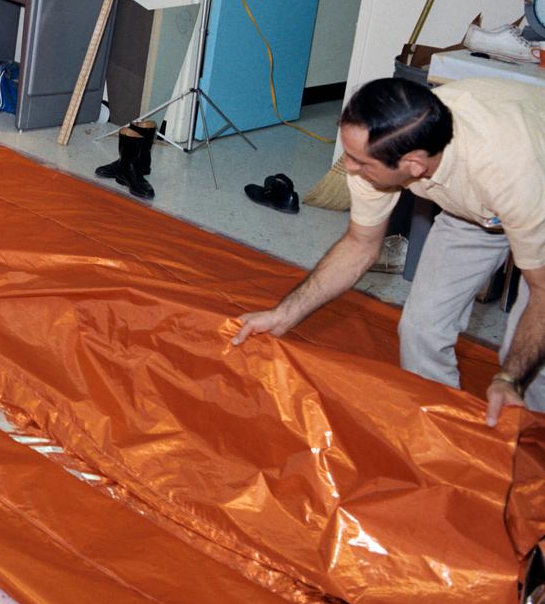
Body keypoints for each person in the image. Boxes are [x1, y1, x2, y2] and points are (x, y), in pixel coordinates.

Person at [233, 76, 545, 427]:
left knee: (532, 364)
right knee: (421, 329)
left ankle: (534, 441)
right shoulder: (386, 147)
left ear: (414, 165)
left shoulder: (511, 171)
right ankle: (442, 431)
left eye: (361, 162)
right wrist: (283, 315)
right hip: (474, 209)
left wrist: (509, 378)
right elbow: (359, 246)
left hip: (534, 189)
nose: (350, 168)